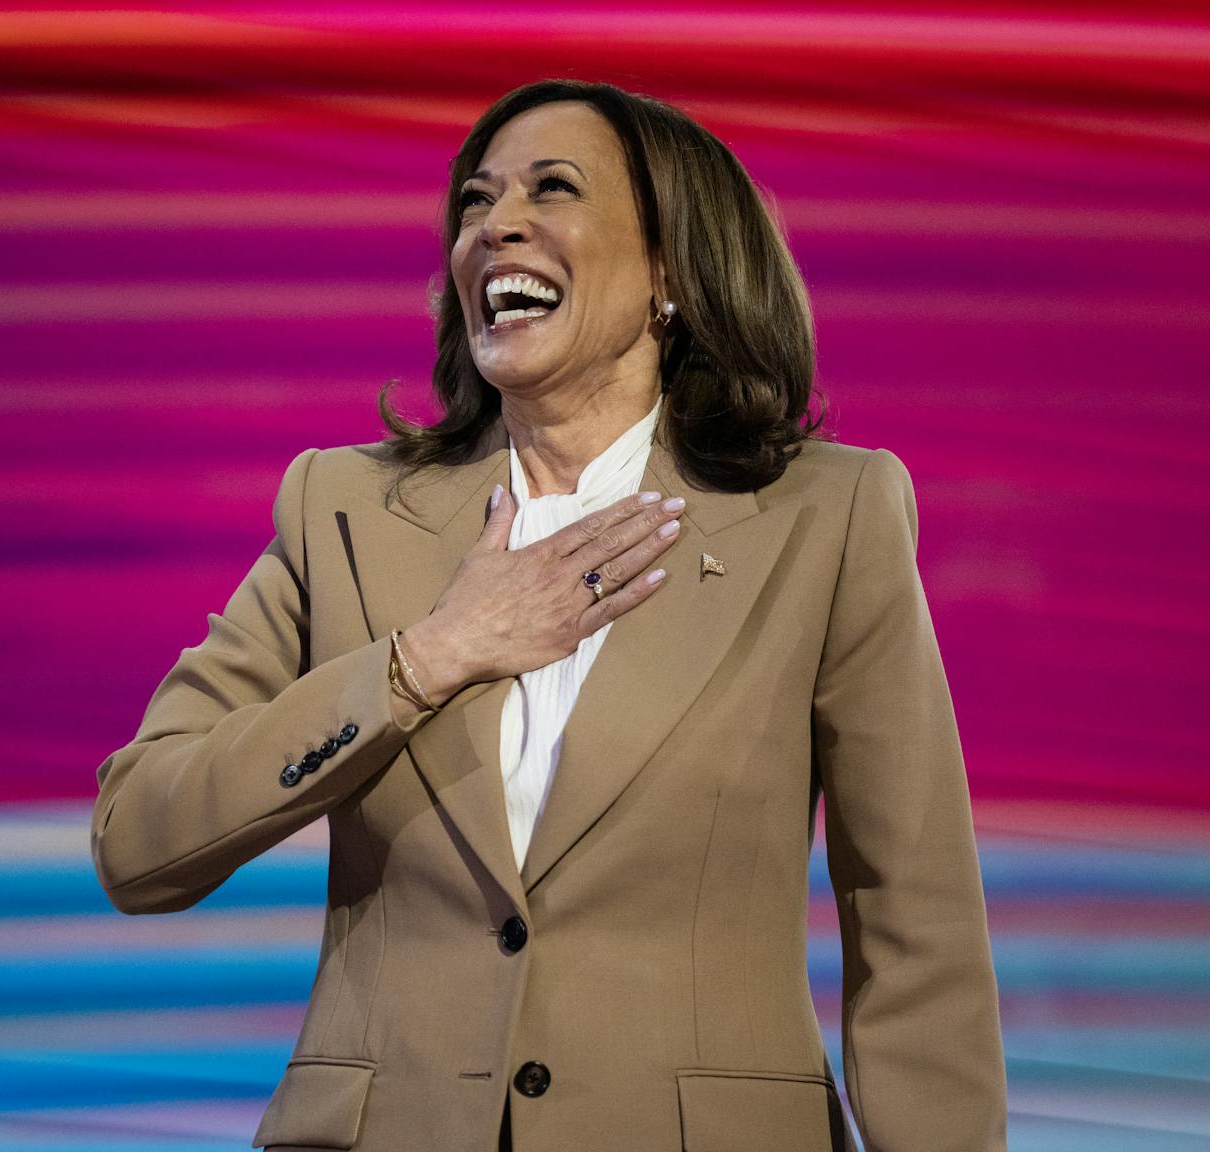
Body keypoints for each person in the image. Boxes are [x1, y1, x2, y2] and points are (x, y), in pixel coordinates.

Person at [90, 78, 1007, 1152]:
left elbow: (913, 925)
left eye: (550, 189)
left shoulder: (825, 516)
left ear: (669, 268)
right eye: (474, 205)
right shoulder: (341, 509)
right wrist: (424, 661)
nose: (495, 228)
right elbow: (138, 838)